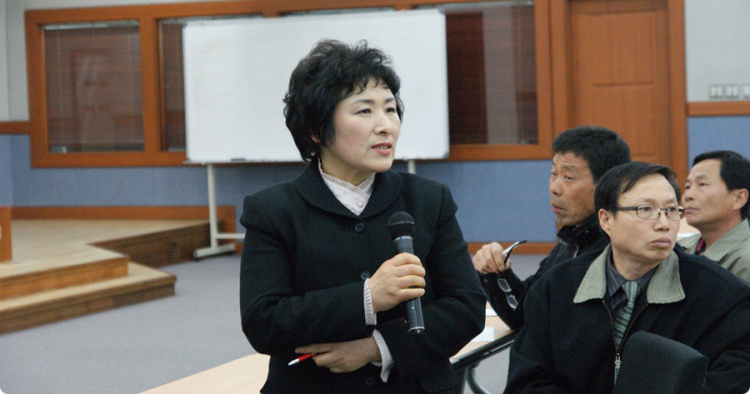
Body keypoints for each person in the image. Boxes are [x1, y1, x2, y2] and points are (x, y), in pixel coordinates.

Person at [239, 40, 486, 393]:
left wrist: (378, 348)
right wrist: (368, 297)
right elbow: (264, 322)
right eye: (365, 111)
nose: (386, 126)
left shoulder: (429, 199)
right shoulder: (273, 211)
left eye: (391, 109)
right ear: (315, 128)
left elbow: (467, 307)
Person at [505, 161, 750, 393]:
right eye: (646, 209)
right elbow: (527, 381)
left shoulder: (721, 293)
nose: (664, 224)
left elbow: (733, 371)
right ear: (606, 220)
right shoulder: (557, 287)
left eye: (671, 210)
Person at [472, 125, 630, 329]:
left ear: (607, 185)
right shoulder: (572, 240)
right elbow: (524, 313)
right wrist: (495, 272)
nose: (554, 188)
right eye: (553, 173)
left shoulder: (616, 254)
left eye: (568, 178)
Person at [679, 150, 750, 282]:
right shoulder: (680, 248)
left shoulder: (745, 260)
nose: (688, 195)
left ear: (738, 198)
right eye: (687, 186)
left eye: (702, 184)